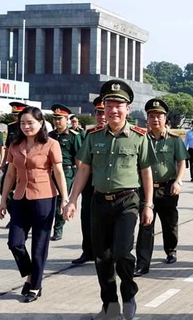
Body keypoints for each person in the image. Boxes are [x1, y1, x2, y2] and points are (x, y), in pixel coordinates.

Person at [63, 80, 156, 320]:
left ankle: (128, 295)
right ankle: (110, 304)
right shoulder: (93, 136)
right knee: (102, 256)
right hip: (99, 202)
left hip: (128, 201)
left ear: (128, 108)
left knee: (122, 251)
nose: (113, 110)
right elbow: (84, 170)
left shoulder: (139, 136)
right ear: (103, 108)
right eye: (109, 105)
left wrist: (149, 204)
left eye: (119, 105)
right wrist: (72, 200)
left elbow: (146, 172)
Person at [0, 106, 68, 303]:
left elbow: (59, 172)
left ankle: (35, 286)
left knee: (39, 246)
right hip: (20, 198)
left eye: (30, 123)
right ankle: (30, 274)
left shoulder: (51, 144)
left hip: (44, 198)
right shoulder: (15, 144)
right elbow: (10, 173)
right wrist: (3, 200)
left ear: (41, 123)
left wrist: (65, 198)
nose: (26, 126)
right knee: (15, 242)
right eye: (23, 123)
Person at [134, 98, 188, 276]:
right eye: (151, 116)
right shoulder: (141, 139)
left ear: (165, 119)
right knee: (145, 224)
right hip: (146, 189)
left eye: (159, 116)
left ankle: (171, 250)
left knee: (169, 223)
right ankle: (142, 263)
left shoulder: (174, 140)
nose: (155, 119)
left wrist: (178, 181)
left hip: (168, 188)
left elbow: (181, 162)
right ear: (147, 119)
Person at [71, 96, 107, 265]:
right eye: (99, 113)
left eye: (104, 112)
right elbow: (79, 159)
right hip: (89, 181)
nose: (102, 116)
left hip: (109, 183)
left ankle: (106, 253)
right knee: (87, 218)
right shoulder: (88, 134)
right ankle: (88, 251)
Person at [49, 104, 82, 241]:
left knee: (60, 201)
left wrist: (80, 177)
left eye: (60, 118)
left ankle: (58, 229)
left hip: (67, 172)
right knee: (48, 201)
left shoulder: (73, 136)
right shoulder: (49, 135)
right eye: (55, 118)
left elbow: (78, 157)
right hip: (50, 172)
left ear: (66, 119)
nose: (57, 121)